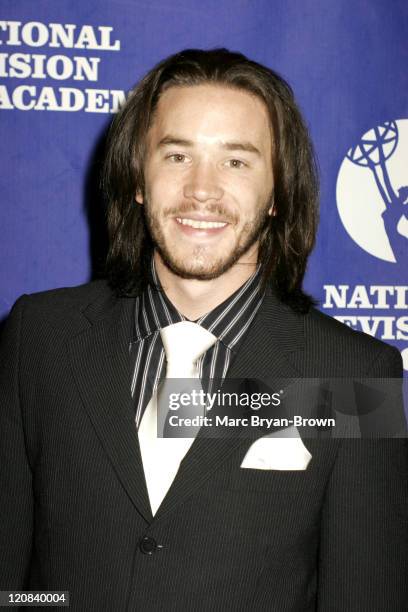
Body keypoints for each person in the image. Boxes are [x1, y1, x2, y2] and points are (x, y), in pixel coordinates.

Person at [0, 48, 407, 611]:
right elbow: (12, 584)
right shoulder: (38, 336)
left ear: (277, 195)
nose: (201, 190)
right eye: (176, 156)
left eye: (236, 161)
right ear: (137, 179)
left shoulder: (359, 375)